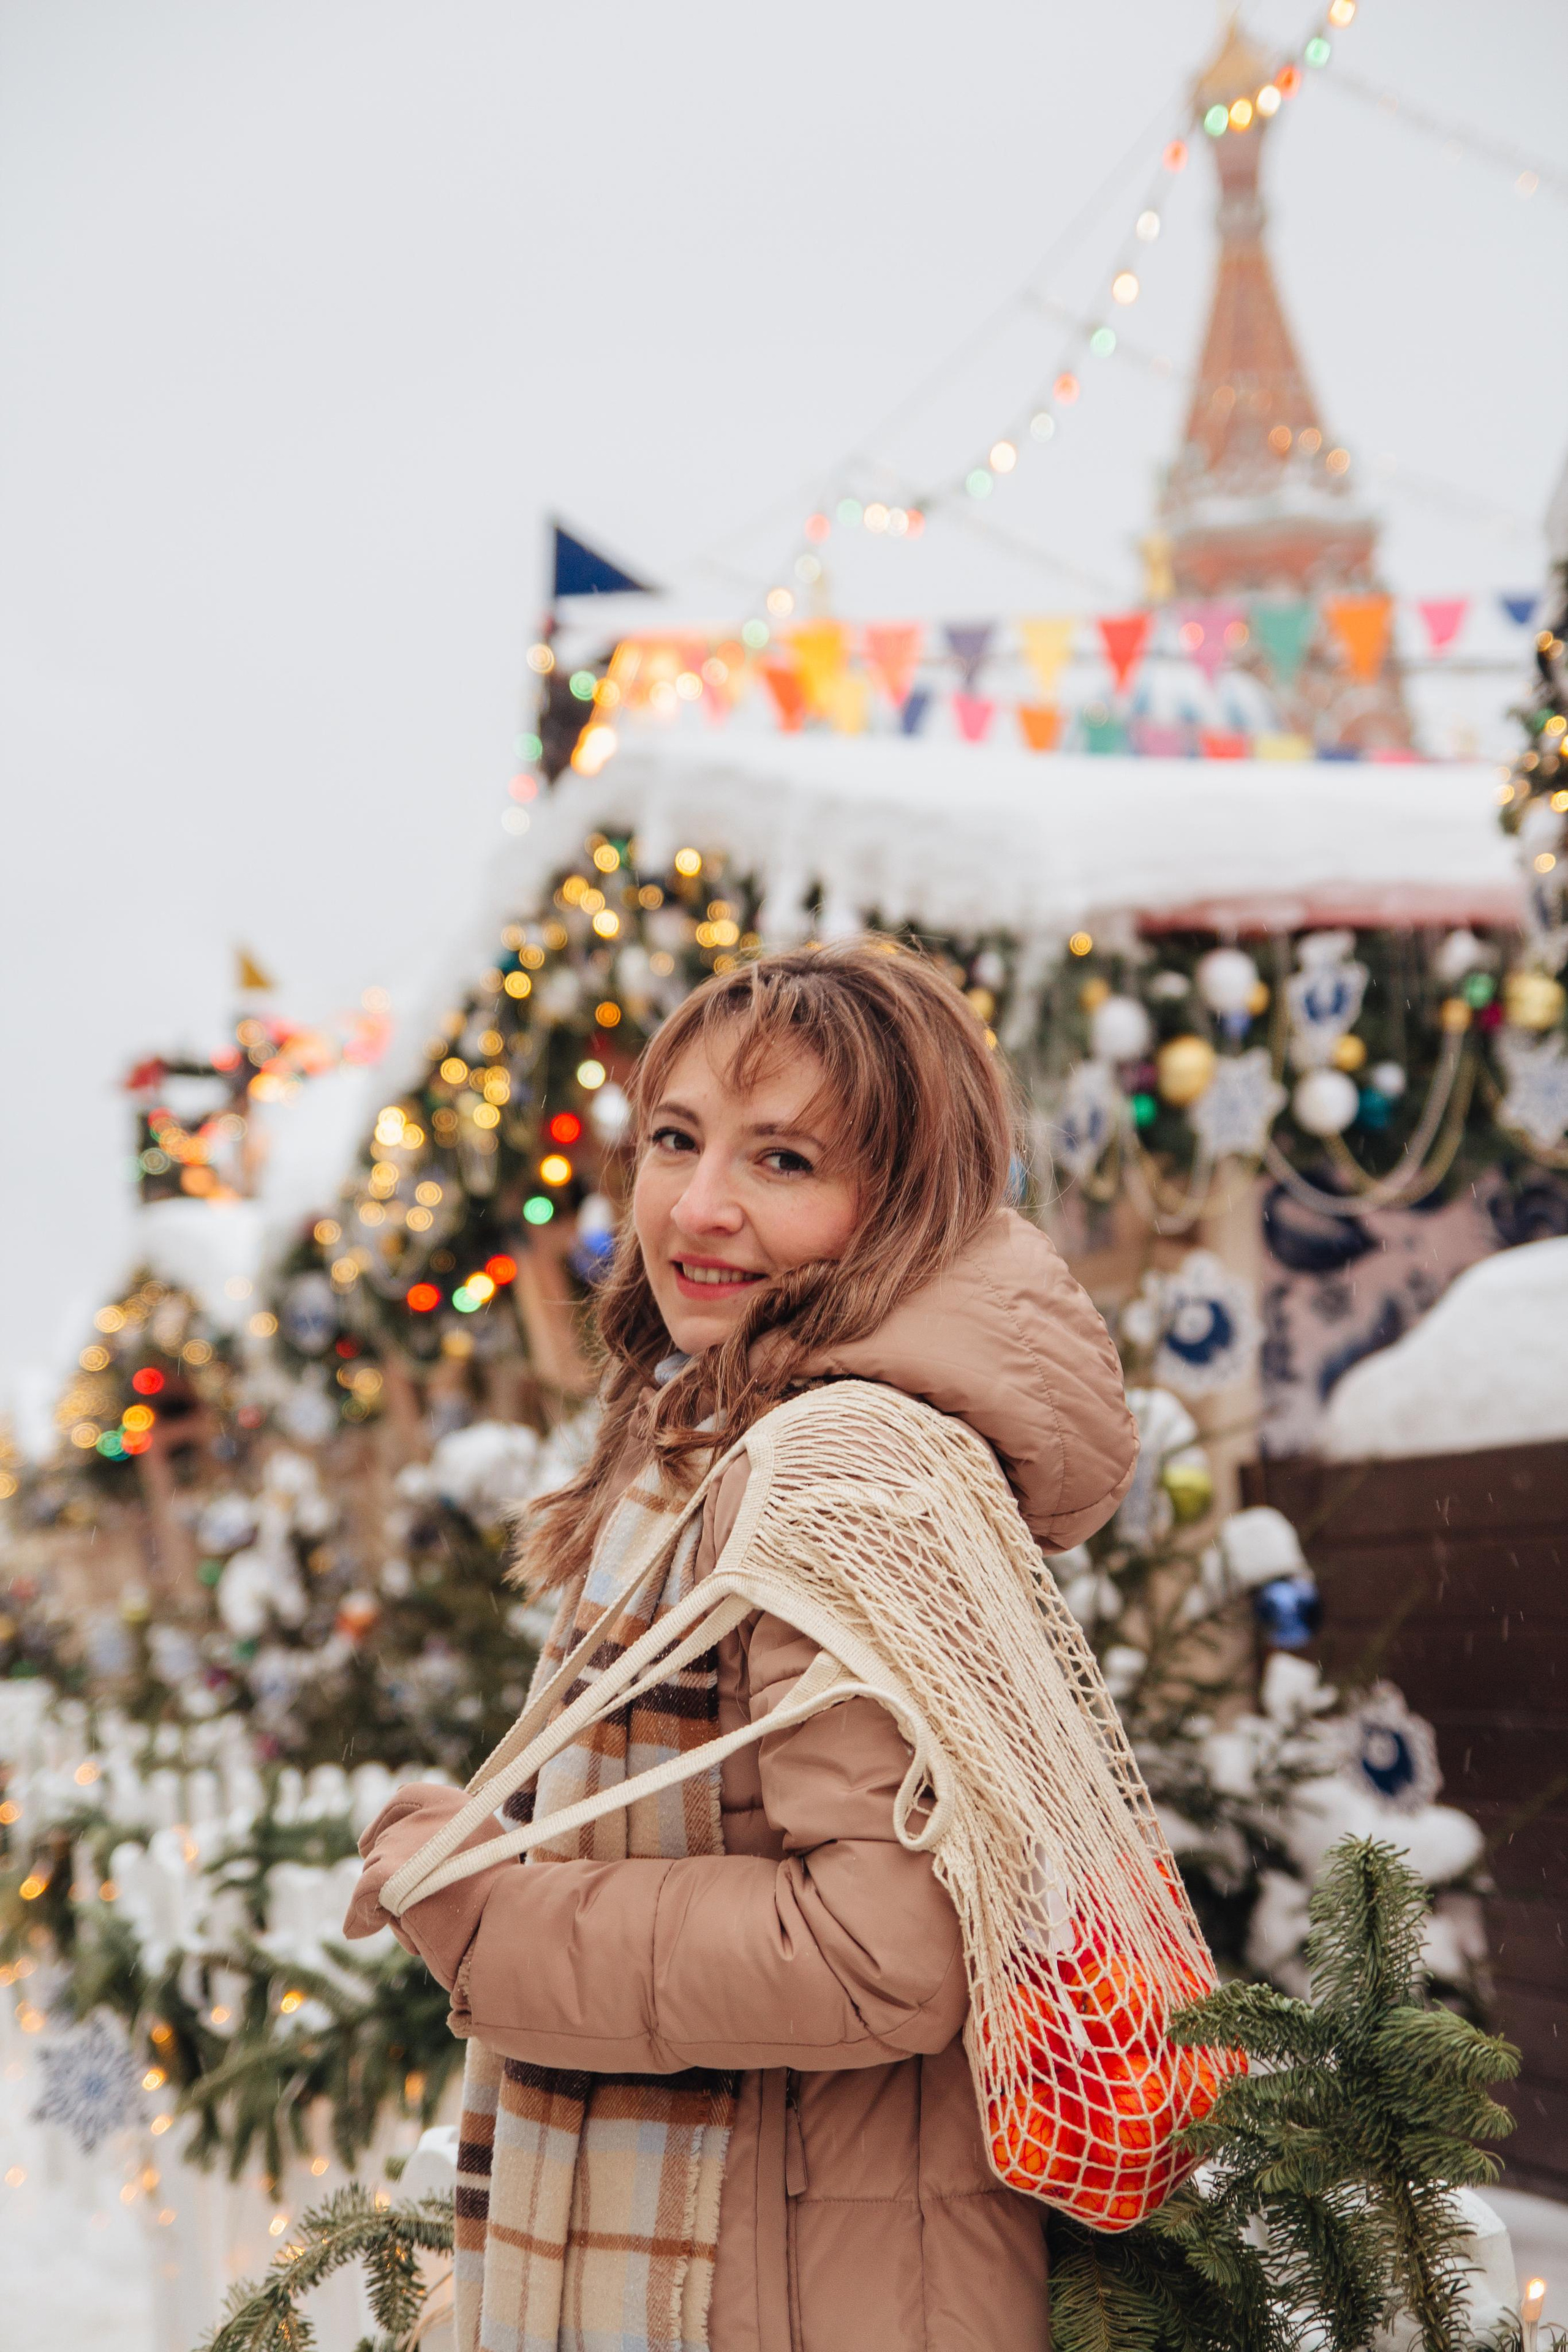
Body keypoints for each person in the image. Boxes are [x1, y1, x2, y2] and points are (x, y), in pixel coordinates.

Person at [346, 940, 1138, 2352]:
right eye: (673, 1139)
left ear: (901, 1203)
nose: (696, 1208)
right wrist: (476, 1847)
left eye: (783, 1162)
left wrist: (498, 1926)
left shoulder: (837, 1465)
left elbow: (885, 1948)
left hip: (788, 2290)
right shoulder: (721, 1437)